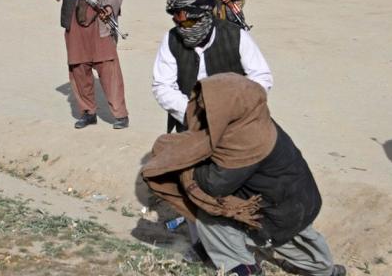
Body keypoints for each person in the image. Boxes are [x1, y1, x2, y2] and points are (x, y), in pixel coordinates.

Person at [143, 73, 347, 276]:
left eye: (210, 109)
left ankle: (250, 269)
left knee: (214, 211)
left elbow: (213, 184)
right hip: (284, 199)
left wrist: (185, 166)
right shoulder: (247, 120)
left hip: (280, 208)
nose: (203, 112)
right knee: (297, 241)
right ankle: (320, 270)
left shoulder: (246, 139)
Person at [43, 0, 129, 130]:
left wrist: (109, 6)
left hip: (100, 20)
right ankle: (88, 112)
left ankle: (120, 115)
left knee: (108, 66)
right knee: (79, 67)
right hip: (75, 22)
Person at [152, 0, 272, 134]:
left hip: (236, 124)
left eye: (188, 23)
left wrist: (235, 109)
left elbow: (261, 76)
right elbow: (163, 85)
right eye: (177, 22)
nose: (182, 27)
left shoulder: (236, 36)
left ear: (204, 17)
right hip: (190, 123)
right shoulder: (171, 39)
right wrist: (192, 113)